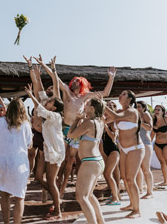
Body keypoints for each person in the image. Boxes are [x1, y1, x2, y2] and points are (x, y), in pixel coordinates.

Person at [35, 55, 115, 198]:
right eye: (74, 80)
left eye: (79, 80)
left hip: (76, 130)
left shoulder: (85, 97)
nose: (76, 81)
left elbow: (105, 93)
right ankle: (54, 185)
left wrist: (111, 77)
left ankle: (63, 187)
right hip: (63, 128)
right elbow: (56, 78)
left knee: (69, 161)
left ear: (83, 83)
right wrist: (45, 65)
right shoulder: (66, 91)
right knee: (60, 159)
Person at [23, 83, 66, 220]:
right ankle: (56, 197)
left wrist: (30, 95)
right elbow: (42, 100)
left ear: (54, 107)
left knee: (51, 181)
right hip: (48, 150)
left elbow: (41, 108)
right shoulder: (49, 116)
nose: (47, 101)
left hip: (56, 152)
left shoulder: (56, 116)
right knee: (38, 176)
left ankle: (57, 211)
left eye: (50, 101)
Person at [104, 90, 147, 219]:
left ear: (129, 99)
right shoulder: (118, 112)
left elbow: (115, 118)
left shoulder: (132, 111)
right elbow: (106, 119)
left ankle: (137, 210)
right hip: (123, 148)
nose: (120, 95)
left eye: (123, 94)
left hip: (135, 148)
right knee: (124, 177)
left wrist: (102, 103)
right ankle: (131, 204)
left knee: (130, 178)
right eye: (120, 93)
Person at [0, 98, 33, 224]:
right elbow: (28, 144)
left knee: (4, 194)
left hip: (2, 162)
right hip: (18, 164)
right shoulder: (25, 125)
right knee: (19, 197)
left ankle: (6, 223)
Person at [70, 98, 107, 224]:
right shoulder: (99, 122)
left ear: (92, 109)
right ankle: (101, 221)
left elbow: (70, 134)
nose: (84, 107)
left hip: (90, 162)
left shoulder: (89, 122)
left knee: (81, 197)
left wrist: (76, 119)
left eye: (87, 105)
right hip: (97, 161)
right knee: (89, 195)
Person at [135, 101, 156, 199]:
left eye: (139, 106)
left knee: (146, 169)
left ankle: (150, 192)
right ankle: (139, 189)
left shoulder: (145, 115)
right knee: (138, 168)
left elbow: (149, 128)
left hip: (145, 143)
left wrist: (140, 121)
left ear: (144, 108)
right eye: (136, 106)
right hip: (137, 144)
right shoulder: (134, 115)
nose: (137, 108)